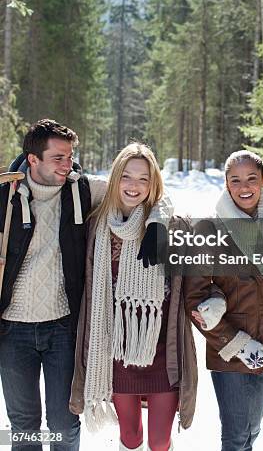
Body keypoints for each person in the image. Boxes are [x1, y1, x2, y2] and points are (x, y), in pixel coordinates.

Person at [0, 119, 171, 451]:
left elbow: (144, 191)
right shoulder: (4, 196)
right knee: (23, 424)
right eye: (58, 158)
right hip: (12, 331)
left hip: (63, 328)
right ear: (33, 159)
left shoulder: (81, 189)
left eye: (70, 156)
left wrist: (157, 222)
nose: (68, 165)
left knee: (64, 423)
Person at [69, 142, 197, 451]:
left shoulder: (170, 226)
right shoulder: (96, 226)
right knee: (130, 438)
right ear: (115, 178)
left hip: (161, 353)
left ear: (154, 183)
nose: (134, 186)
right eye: (127, 176)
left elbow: (198, 281)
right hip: (114, 353)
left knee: (161, 441)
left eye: (144, 178)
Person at [184, 150, 263, 451]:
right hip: (229, 350)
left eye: (252, 179)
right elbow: (195, 297)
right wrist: (238, 344)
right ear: (227, 185)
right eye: (236, 180)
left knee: (251, 431)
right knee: (235, 435)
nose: (244, 187)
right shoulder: (209, 229)